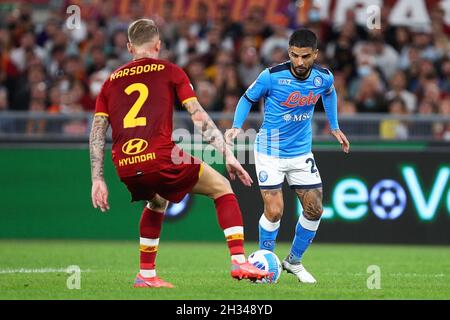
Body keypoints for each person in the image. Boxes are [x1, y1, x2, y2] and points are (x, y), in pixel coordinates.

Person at [89, 19, 268, 288]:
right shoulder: (170, 71)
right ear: (158, 45)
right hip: (159, 156)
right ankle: (239, 260)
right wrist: (227, 154)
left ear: (129, 47)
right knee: (221, 187)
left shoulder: (109, 83)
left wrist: (97, 179)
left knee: (157, 201)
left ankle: (146, 275)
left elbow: (97, 132)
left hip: (125, 163)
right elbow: (198, 116)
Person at [225, 29, 350, 284]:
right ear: (289, 52)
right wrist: (237, 126)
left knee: (315, 209)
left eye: (305, 56)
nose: (300, 62)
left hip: (301, 152)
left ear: (315, 54)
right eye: (295, 55)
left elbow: (330, 92)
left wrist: (334, 126)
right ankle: (264, 261)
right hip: (269, 150)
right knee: (275, 211)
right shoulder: (271, 77)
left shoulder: (323, 77)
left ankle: (293, 261)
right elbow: (246, 98)